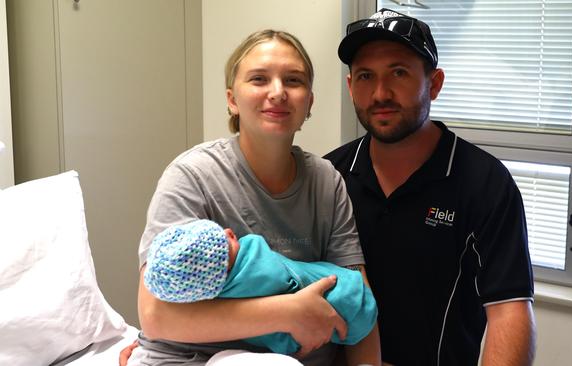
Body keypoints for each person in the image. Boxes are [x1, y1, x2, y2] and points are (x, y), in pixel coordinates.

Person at [127, 29, 381, 366]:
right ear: (232, 99)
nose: (277, 93)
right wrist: (287, 313)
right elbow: (156, 315)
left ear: (309, 103)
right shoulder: (192, 176)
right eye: (259, 79)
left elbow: (360, 304)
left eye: (293, 80)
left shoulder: (326, 182)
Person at [323, 8, 536, 366]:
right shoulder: (328, 176)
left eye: (399, 73)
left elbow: (509, 311)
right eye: (364, 76)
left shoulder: (484, 183)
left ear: (433, 84)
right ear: (350, 87)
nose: (380, 93)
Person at [143, 219, 378, 355]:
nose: (229, 232)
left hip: (353, 303)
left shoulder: (221, 300)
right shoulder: (257, 265)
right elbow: (154, 320)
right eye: (226, 243)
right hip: (352, 302)